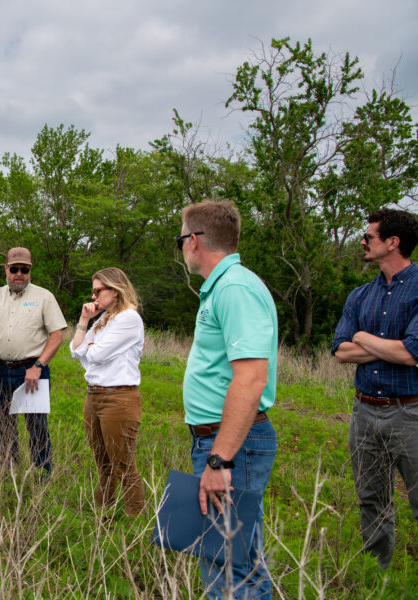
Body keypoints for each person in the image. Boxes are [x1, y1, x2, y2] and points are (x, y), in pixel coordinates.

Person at [178, 200, 278, 599]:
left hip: (232, 444)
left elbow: (251, 378)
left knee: (230, 567)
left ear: (195, 241)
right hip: (220, 440)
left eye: (180, 238)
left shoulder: (235, 288)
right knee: (232, 557)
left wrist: (220, 460)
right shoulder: (222, 287)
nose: (181, 247)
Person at [331, 208, 418, 570]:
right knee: (371, 497)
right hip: (364, 411)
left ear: (392, 242)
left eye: (369, 236)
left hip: (409, 412)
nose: (363, 241)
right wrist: (387, 347)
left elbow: (411, 353)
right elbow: (339, 351)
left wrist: (363, 338)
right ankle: (376, 575)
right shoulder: (360, 295)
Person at [0, 247, 67, 474]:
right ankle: (10, 472)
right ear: (6, 269)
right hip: (1, 371)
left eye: (25, 269)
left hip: (32, 372)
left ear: (30, 270)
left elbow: (58, 334)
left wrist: (38, 365)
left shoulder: (44, 297)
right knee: (3, 425)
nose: (19, 274)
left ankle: (42, 475)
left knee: (37, 427)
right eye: (14, 269)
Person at [69, 268, 145, 517]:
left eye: (98, 291)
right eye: (93, 291)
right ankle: (104, 514)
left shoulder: (128, 318)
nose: (93, 297)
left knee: (123, 464)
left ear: (115, 290)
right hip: (94, 396)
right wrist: (83, 322)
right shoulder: (104, 320)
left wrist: (90, 347)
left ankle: (135, 519)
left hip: (118, 398)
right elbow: (74, 350)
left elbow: (96, 354)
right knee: (103, 463)